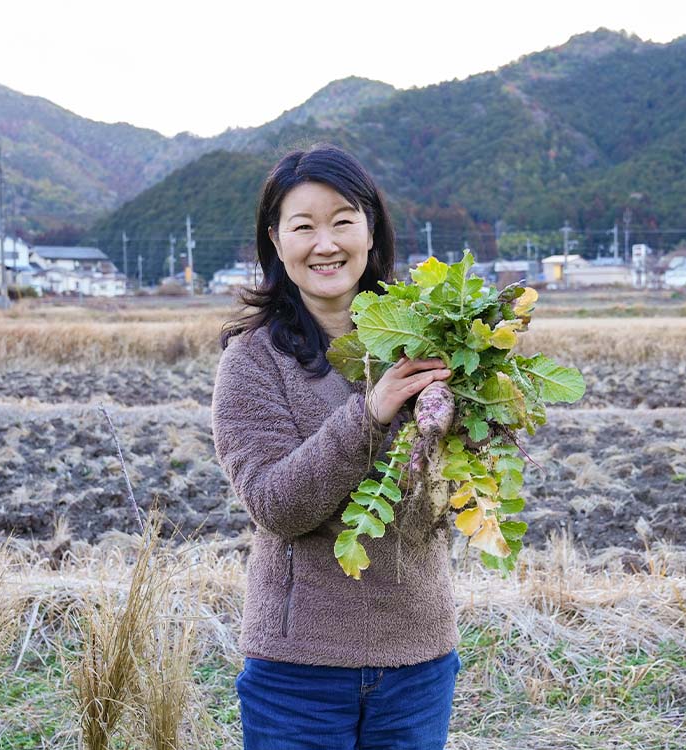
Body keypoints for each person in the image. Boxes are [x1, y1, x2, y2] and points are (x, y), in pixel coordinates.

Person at [211, 143, 461, 750]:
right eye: (304, 226)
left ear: (371, 232)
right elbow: (277, 506)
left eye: (343, 220)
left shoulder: (430, 343)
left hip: (418, 660)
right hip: (298, 672)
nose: (326, 243)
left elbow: (455, 494)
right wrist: (370, 413)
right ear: (276, 241)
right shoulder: (252, 361)